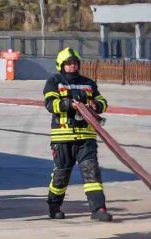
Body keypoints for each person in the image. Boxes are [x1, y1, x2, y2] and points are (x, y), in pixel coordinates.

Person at [42, 48, 111, 221]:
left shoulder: (88, 83)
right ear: (61, 65)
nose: (72, 66)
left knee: (92, 173)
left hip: (86, 137)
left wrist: (96, 104)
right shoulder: (54, 81)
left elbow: (103, 101)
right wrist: (68, 104)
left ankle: (98, 210)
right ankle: (54, 205)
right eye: (68, 63)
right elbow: (51, 104)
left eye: (74, 63)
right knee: (61, 175)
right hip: (62, 137)